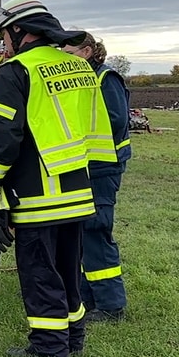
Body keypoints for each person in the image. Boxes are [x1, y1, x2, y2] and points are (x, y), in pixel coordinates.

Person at [0, 0, 117, 357]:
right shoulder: (79, 68)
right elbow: (97, 130)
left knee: (40, 273)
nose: (3, 44)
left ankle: (49, 349)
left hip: (37, 195)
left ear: (19, 31)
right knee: (69, 268)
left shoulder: (15, 72)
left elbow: (2, 137)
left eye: (4, 36)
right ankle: (74, 337)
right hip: (80, 189)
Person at [62, 34, 132, 322]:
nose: (64, 59)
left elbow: (115, 120)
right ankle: (87, 296)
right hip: (84, 166)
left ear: (88, 51)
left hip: (102, 168)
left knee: (96, 231)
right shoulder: (78, 79)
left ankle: (111, 304)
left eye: (69, 53)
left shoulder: (105, 78)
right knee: (81, 233)